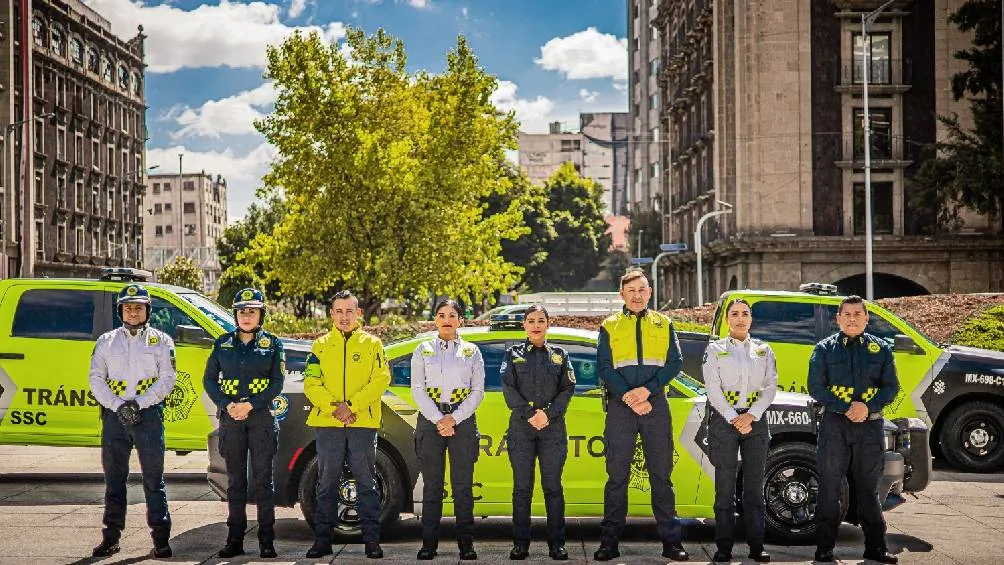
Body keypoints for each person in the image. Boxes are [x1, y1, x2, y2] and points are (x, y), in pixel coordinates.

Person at [594, 270, 688, 562]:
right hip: (621, 408)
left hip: (655, 405)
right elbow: (604, 368)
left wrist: (647, 391)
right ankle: (609, 544)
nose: (637, 295)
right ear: (621, 294)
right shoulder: (609, 325)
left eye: (642, 289)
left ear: (650, 292)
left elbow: (675, 363)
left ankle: (672, 544)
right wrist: (629, 397)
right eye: (631, 290)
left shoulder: (664, 323)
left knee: (661, 477)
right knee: (616, 478)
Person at [808, 295, 900, 564]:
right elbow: (816, 387)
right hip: (835, 425)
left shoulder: (881, 349)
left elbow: (891, 387)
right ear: (838, 319)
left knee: (868, 489)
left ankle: (876, 548)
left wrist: (867, 408)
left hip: (869, 427)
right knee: (829, 487)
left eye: (857, 314)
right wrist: (847, 408)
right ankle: (824, 549)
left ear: (866, 318)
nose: (852, 319)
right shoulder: (824, 349)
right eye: (846, 314)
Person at [88, 284, 176, 558]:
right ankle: (111, 538)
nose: (133, 312)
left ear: (147, 310)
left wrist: (138, 404)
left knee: (153, 480)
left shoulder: (162, 341)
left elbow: (167, 379)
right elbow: (96, 379)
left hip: (148, 416)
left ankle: (161, 539)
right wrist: (119, 406)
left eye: (138, 307)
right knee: (114, 481)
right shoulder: (106, 341)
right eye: (128, 308)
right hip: (115, 417)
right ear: (121, 311)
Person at [304, 290, 390, 559]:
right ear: (331, 314)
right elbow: (311, 384)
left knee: (366, 482)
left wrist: (351, 406)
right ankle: (322, 541)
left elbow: (381, 380)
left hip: (362, 423)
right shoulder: (319, 346)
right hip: (328, 424)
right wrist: (336, 409)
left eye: (349, 311)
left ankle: (372, 541)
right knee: (326, 483)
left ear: (359, 313)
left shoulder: (373, 345)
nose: (344, 317)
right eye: (339, 311)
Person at [203, 288, 285, 559]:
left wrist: (250, 405)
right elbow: (209, 380)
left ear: (261, 315)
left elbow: (277, 383)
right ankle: (234, 540)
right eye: (241, 311)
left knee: (263, 482)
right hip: (232, 420)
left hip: (261, 419)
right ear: (235, 314)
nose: (246, 316)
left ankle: (266, 541)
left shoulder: (273, 344)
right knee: (236, 483)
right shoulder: (222, 343)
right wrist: (228, 406)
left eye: (252, 311)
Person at [701, 298, 776, 563]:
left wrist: (752, 415)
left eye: (745, 313)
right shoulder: (715, 349)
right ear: (727, 320)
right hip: (725, 421)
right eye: (735, 314)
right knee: (725, 489)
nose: (740, 318)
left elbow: (770, 387)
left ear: (751, 319)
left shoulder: (764, 350)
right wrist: (735, 418)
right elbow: (712, 389)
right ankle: (723, 547)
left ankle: (757, 546)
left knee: (754, 489)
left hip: (756, 421)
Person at [410, 299, 485, 560]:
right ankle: (428, 544)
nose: (446, 320)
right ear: (435, 319)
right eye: (441, 315)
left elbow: (477, 391)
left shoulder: (472, 351)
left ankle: (466, 544)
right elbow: (417, 389)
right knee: (432, 486)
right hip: (430, 422)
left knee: (462, 487)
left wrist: (453, 419)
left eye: (452, 315)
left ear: (460, 320)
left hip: (462, 421)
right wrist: (438, 419)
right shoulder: (423, 349)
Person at [501, 305, 575, 561]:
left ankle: (557, 545)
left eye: (540, 321)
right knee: (522, 489)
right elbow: (508, 388)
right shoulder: (513, 354)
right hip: (521, 429)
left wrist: (548, 414)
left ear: (547, 324)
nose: (536, 325)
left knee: (553, 488)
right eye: (531, 321)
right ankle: (520, 545)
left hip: (552, 430)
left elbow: (567, 389)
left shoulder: (560, 355)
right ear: (524, 325)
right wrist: (531, 414)